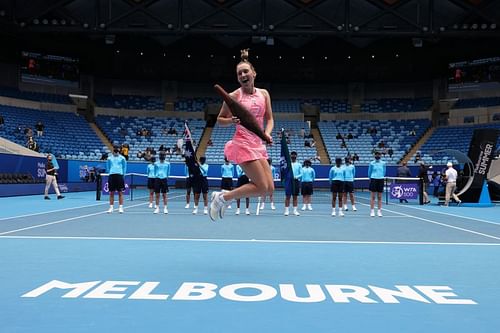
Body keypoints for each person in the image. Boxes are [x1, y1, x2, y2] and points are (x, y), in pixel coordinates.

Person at [208, 48, 274, 221]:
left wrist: (266, 134)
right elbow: (220, 119)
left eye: (246, 71)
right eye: (239, 73)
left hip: (258, 144)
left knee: (269, 189)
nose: (243, 75)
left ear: (253, 73)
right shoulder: (233, 96)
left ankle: (225, 196)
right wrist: (231, 121)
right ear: (238, 78)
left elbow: (270, 119)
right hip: (242, 143)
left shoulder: (264, 94)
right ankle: (222, 198)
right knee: (260, 186)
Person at [106, 145, 127, 213]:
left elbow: (124, 167)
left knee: (120, 192)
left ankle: (120, 207)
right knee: (111, 192)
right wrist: (110, 173)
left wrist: (123, 175)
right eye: (115, 149)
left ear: (119, 150)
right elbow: (108, 167)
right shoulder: (109, 158)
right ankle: (111, 207)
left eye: (117, 149)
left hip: (119, 176)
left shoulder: (122, 158)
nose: (116, 150)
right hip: (112, 176)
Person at [368, 151, 386, 217]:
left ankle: (379, 211)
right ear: (374, 155)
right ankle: (372, 211)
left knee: (379, 197)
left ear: (380, 155)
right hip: (373, 179)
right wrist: (370, 179)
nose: (378, 155)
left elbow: (384, 172)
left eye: (379, 154)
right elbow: (369, 172)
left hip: (380, 179)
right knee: (373, 196)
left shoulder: (383, 163)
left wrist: (381, 176)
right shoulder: (371, 163)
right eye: (376, 154)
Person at [284, 151, 302, 216]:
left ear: (296, 156)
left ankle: (295, 211)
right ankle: (286, 210)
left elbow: (301, 173)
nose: (293, 156)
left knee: (295, 196)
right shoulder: (288, 164)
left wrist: (296, 177)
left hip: (296, 181)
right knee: (287, 196)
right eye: (292, 155)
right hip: (288, 181)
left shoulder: (299, 164)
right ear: (290, 156)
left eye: (294, 155)